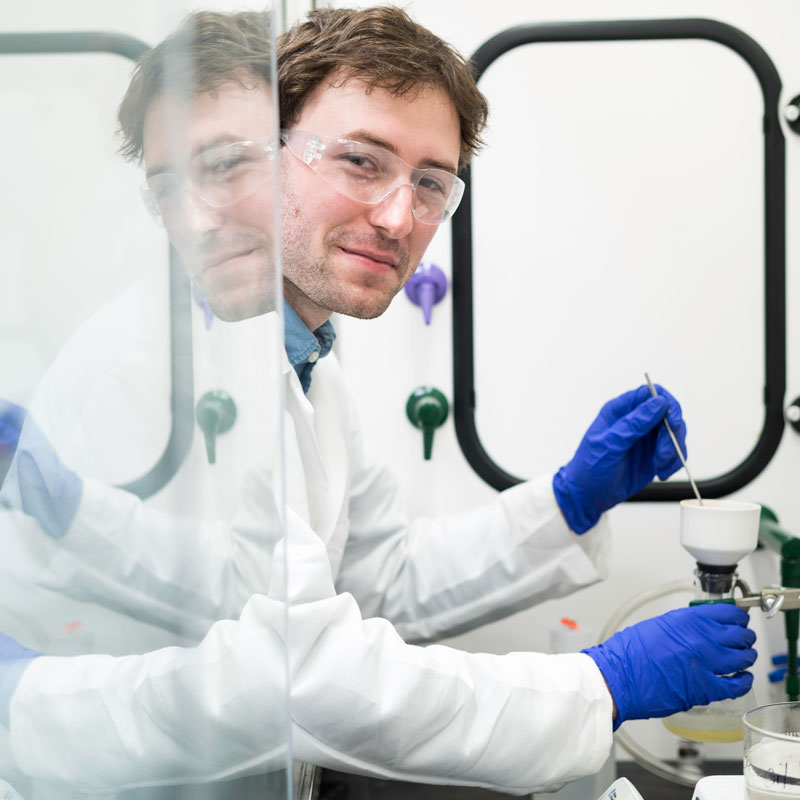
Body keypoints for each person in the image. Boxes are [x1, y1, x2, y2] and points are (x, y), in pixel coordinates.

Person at [0, 6, 756, 798]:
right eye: (361, 161)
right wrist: (601, 684)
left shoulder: (306, 357)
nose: (400, 216)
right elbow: (296, 674)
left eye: (431, 183)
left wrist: (568, 503)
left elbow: (375, 580)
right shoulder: (149, 361)